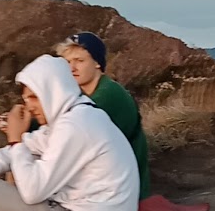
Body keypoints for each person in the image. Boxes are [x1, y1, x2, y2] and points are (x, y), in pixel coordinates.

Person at [0, 55, 139, 211]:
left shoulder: (75, 125)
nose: (29, 106)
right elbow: (29, 147)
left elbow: (33, 192)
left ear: (53, 90)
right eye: (25, 99)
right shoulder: (74, 115)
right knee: (18, 164)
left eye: (34, 97)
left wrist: (15, 139)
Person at [56, 30, 152, 196]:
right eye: (67, 62)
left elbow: (74, 130)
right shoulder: (78, 93)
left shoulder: (109, 95)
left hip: (120, 191)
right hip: (105, 181)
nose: (71, 68)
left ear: (97, 63)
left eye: (79, 61)